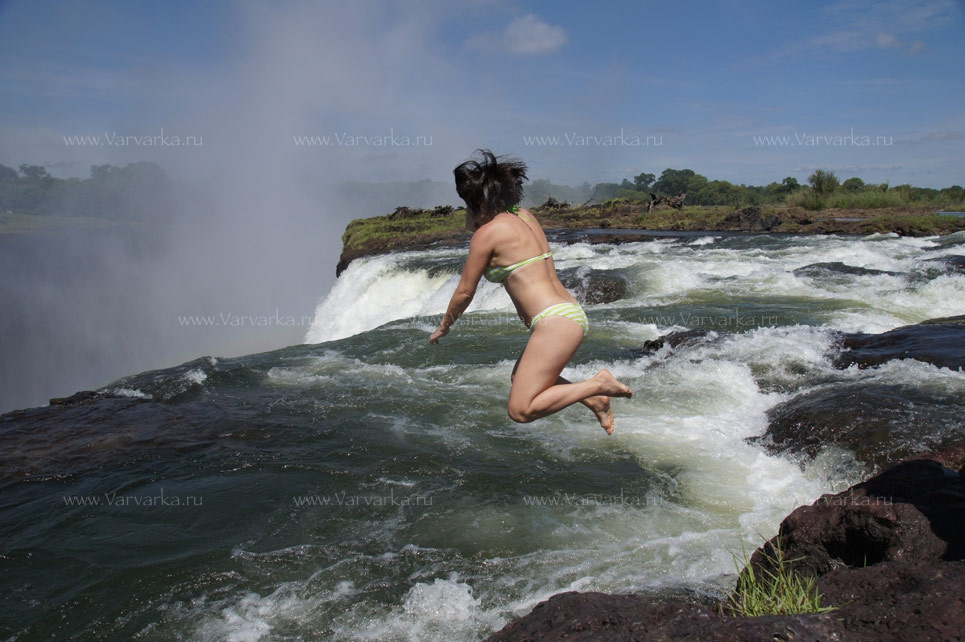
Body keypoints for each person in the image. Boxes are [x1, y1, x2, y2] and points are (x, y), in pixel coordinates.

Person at [430, 150, 633, 434]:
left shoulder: (486, 235)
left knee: (521, 409)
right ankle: (594, 398)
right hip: (568, 313)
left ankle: (598, 384)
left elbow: (465, 291)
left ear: (476, 202)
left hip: (555, 323)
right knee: (520, 377)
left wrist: (444, 327)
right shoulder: (525, 216)